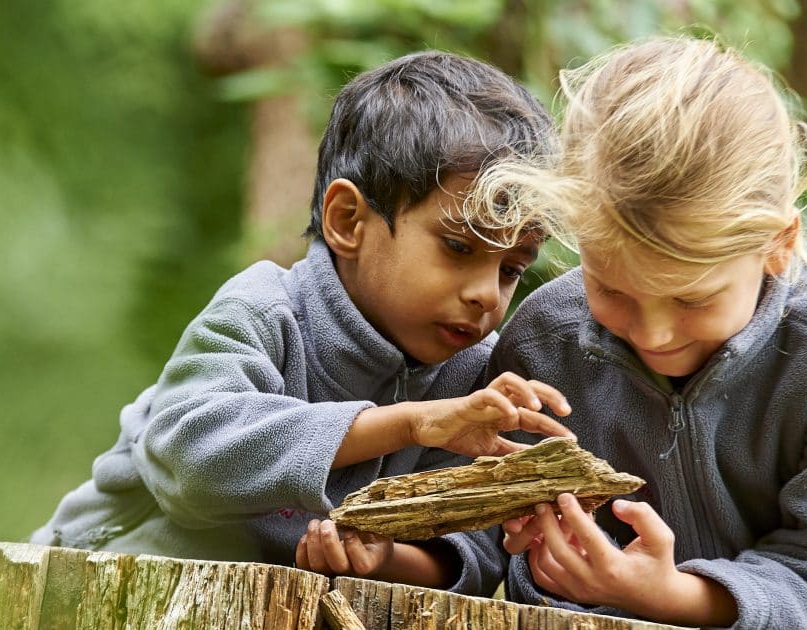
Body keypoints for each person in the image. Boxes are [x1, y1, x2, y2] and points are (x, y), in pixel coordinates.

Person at [30, 50, 571, 596]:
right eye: (457, 247)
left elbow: (478, 551)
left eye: (510, 270)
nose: (485, 295)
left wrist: (383, 557)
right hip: (96, 586)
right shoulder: (265, 310)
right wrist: (407, 424)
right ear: (348, 222)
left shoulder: (472, 376)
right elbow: (190, 459)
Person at [482, 37, 807, 627]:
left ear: (778, 245)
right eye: (612, 291)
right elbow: (507, 549)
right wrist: (554, 565)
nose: (656, 333)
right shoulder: (547, 343)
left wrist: (672, 595)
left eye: (692, 298)